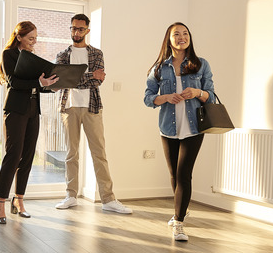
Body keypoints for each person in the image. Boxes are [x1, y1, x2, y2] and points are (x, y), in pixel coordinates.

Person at [54, 14, 132, 214]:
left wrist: (75, 77)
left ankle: (108, 199)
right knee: (71, 154)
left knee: (99, 153)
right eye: (73, 28)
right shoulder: (62, 54)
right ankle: (71, 196)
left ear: (87, 30)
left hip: (92, 107)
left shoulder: (96, 54)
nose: (76, 32)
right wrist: (87, 76)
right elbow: (63, 81)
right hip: (68, 107)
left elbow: (98, 81)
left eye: (80, 29)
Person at [144, 22, 214, 241]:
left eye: (185, 34)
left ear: (190, 38)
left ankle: (179, 222)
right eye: (177, 34)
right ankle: (181, 208)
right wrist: (165, 97)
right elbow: (148, 98)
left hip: (194, 127)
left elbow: (211, 95)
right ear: (169, 39)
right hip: (168, 127)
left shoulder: (201, 64)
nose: (182, 37)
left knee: (184, 173)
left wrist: (197, 92)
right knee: (174, 174)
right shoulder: (158, 68)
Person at [0, 21, 59, 224]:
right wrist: (39, 83)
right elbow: (14, 82)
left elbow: (35, 85)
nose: (34, 42)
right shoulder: (9, 55)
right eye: (31, 38)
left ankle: (19, 200)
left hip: (33, 111)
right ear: (19, 36)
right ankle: (1, 203)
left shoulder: (32, 59)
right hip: (15, 110)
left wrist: (50, 86)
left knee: (28, 156)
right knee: (13, 156)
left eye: (35, 39)